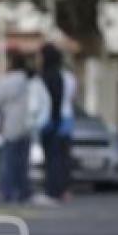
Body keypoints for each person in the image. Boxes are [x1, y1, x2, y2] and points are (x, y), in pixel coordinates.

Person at [0, 49, 40, 203]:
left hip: (11, 124)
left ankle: (7, 191)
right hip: (27, 124)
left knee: (9, 161)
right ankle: (23, 190)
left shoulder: (8, 81)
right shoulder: (30, 80)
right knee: (23, 161)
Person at [37, 43, 75, 203]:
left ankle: (52, 191)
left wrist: (52, 120)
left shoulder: (48, 76)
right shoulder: (69, 76)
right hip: (68, 120)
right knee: (63, 158)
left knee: (52, 158)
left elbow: (51, 100)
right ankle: (64, 190)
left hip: (53, 120)